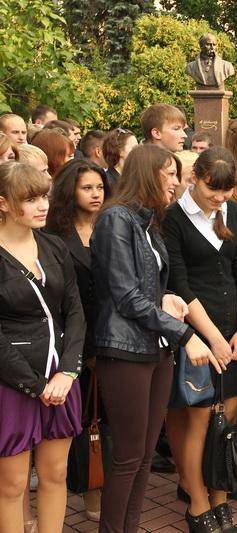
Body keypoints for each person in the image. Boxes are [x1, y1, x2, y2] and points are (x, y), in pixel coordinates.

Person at [91, 144, 215, 533]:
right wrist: (185, 334)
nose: (176, 182)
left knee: (144, 456)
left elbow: (145, 287)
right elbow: (125, 295)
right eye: (170, 174)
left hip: (155, 348)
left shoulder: (148, 221)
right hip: (125, 349)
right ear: (148, 174)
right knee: (128, 456)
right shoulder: (115, 219)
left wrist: (167, 297)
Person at [162, 147, 237, 533]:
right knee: (198, 421)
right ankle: (197, 500)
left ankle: (221, 496)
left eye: (226, 190)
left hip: (234, 330)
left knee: (227, 421)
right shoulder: (173, 218)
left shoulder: (236, 213)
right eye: (212, 189)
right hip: (197, 334)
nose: (219, 197)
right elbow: (179, 282)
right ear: (194, 178)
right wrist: (213, 338)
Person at [0, 162, 85, 533]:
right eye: (30, 199)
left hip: (61, 376)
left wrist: (68, 371)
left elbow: (75, 311)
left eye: (43, 197)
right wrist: (36, 385)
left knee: (56, 472)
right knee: (12, 484)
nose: (42, 205)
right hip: (12, 381)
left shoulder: (53, 245)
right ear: (3, 203)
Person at [45, 158, 109, 521]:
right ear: (70, 191)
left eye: (99, 187)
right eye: (87, 188)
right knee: (80, 419)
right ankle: (82, 487)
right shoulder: (53, 233)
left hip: (110, 335)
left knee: (104, 420)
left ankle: (98, 490)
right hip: (69, 340)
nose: (95, 194)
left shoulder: (111, 225)